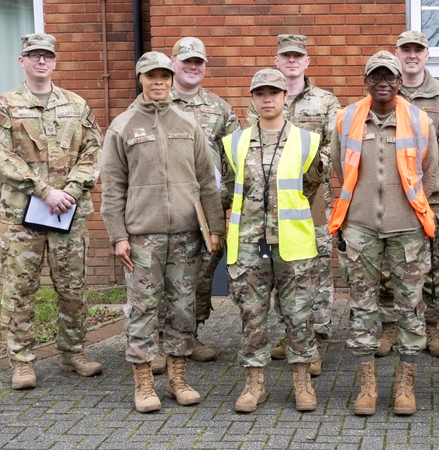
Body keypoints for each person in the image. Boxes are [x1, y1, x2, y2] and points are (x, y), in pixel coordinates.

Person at [100, 51, 225, 413]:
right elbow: (112, 187)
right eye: (151, 76)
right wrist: (118, 235)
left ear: (172, 80)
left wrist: (214, 228)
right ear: (140, 78)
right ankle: (143, 383)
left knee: (183, 309)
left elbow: (207, 181)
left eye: (164, 76)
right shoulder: (123, 126)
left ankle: (177, 379)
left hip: (187, 236)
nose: (159, 82)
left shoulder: (188, 125)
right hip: (143, 238)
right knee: (143, 308)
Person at [0, 33, 104, 390]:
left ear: (54, 61)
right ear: (22, 61)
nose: (40, 61)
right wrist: (44, 190)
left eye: (46, 56)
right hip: (22, 214)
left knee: (73, 287)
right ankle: (21, 362)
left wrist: (70, 191)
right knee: (20, 288)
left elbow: (93, 151)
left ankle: (73, 353)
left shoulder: (76, 105)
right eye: (33, 56)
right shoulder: (4, 106)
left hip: (69, 210)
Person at [329, 52, 439, 417]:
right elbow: (337, 165)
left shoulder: (419, 120)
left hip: (407, 228)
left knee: (410, 308)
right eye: (375, 76)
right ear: (365, 81)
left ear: (399, 82)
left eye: (389, 77)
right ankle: (367, 387)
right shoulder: (346, 119)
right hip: (360, 227)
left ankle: (405, 387)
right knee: (362, 307)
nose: (382, 82)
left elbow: (430, 171)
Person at [223, 69, 324, 413]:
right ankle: (255, 383)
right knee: (252, 315)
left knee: (298, 315)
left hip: (292, 244)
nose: (267, 99)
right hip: (249, 241)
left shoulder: (307, 140)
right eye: (260, 93)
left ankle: (302, 382)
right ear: (252, 98)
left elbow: (311, 185)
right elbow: (227, 187)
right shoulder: (234, 142)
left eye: (274, 93)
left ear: (285, 97)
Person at [248, 34, 339, 376]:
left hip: (312, 199)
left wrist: (305, 175)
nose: (291, 61)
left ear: (307, 61)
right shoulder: (262, 99)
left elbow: (333, 148)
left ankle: (315, 341)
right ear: (277, 60)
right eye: (285, 56)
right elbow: (254, 145)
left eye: (297, 56)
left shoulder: (327, 102)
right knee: (281, 270)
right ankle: (291, 336)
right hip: (271, 206)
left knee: (314, 272)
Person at [374, 30, 439, 359]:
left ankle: (431, 328)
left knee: (433, 265)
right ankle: (389, 326)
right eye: (406, 50)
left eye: (418, 50)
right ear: (397, 53)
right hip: (390, 198)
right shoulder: (383, 89)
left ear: (426, 54)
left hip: (430, 198)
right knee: (388, 266)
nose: (412, 55)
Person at [169, 36, 238, 365]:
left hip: (208, 206)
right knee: (164, 272)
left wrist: (227, 197)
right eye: (186, 61)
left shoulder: (220, 108)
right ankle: (159, 342)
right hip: (167, 205)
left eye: (198, 62)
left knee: (202, 271)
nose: (193, 67)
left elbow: (235, 155)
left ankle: (190, 336)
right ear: (173, 65)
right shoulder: (158, 102)